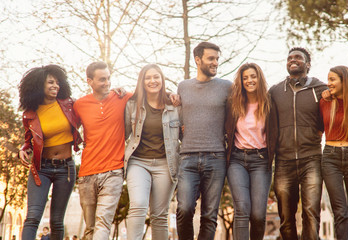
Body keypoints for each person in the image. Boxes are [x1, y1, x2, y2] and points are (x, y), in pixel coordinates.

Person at [269, 47, 329, 240]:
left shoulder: (320, 89)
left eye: (298, 57)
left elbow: (334, 113)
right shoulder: (275, 91)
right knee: (286, 218)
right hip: (283, 161)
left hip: (311, 159)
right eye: (289, 58)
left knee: (311, 213)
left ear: (307, 65)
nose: (292, 60)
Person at [18, 65, 81, 240]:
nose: (56, 86)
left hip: (66, 168)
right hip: (41, 169)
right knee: (32, 217)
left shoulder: (70, 105)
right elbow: (28, 141)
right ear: (39, 85)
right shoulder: (30, 114)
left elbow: (92, 108)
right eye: (50, 82)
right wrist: (23, 150)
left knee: (57, 221)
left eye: (58, 82)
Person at [176, 42, 232, 240]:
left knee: (209, 215)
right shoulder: (183, 87)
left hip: (216, 157)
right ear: (198, 60)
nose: (215, 62)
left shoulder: (227, 87)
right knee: (184, 208)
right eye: (211, 58)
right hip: (188, 158)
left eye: (217, 58)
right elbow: (178, 117)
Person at [73, 61, 133, 240]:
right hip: (86, 174)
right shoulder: (80, 105)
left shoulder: (122, 97)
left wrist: (172, 96)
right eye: (102, 80)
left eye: (108, 78)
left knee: (102, 223)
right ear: (89, 81)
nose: (107, 83)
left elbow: (150, 94)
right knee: (90, 229)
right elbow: (66, 128)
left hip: (113, 172)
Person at [124, 64, 181, 240]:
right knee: (138, 205)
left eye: (156, 77)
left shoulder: (174, 105)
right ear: (142, 81)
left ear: (162, 80)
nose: (152, 81)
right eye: (148, 78)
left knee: (159, 215)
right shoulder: (132, 105)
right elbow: (123, 134)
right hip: (138, 162)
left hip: (166, 163)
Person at [225, 63, 277, 240]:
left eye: (253, 76)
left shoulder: (269, 102)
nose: (249, 80)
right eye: (245, 77)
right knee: (242, 208)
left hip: (261, 160)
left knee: (258, 214)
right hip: (237, 160)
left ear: (259, 78)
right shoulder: (233, 102)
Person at [319, 66, 348, 240]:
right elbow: (317, 129)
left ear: (344, 80)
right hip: (330, 158)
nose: (328, 83)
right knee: (340, 211)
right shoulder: (324, 102)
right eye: (328, 79)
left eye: (332, 79)